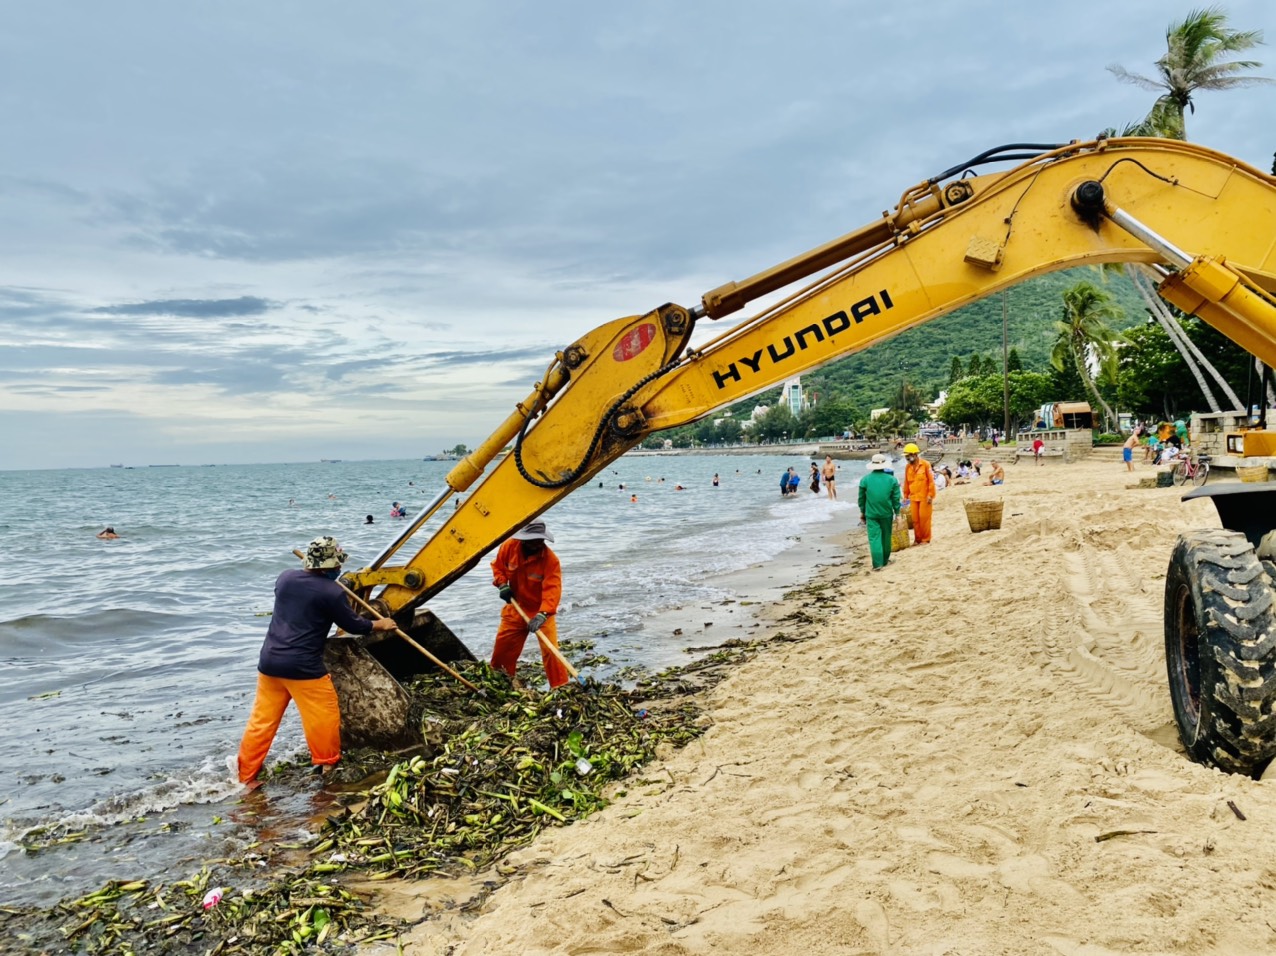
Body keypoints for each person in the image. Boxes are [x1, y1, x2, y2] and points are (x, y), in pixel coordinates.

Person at [234, 536, 397, 787]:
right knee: (323, 716)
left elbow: (307, 598)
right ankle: (327, 764)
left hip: (269, 663)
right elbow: (352, 625)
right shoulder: (331, 592)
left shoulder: (285, 579)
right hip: (303, 669)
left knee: (262, 722)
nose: (339, 569)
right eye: (337, 565)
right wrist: (381, 624)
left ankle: (246, 777)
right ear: (329, 567)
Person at [490, 521, 568, 689]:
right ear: (523, 539)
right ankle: (501, 684)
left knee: (551, 652)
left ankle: (560, 687)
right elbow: (498, 567)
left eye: (540, 540)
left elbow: (552, 590)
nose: (537, 544)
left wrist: (543, 614)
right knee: (503, 651)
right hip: (516, 607)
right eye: (532, 540)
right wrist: (502, 584)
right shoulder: (509, 547)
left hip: (541, 611)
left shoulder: (550, 560)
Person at [858, 454, 901, 570]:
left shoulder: (865, 480)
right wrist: (898, 513)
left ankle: (877, 564)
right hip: (887, 513)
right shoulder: (892, 480)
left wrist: (862, 512)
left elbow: (861, 499)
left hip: (871, 514)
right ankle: (885, 560)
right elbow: (896, 499)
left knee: (874, 538)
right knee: (886, 537)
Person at [902, 443, 936, 544]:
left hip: (925, 497)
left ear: (915, 455)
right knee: (915, 520)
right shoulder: (908, 467)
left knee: (924, 519)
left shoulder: (925, 464)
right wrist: (905, 495)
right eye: (906, 456)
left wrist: (930, 495)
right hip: (913, 497)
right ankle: (917, 539)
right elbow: (906, 482)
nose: (907, 458)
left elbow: (931, 481)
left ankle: (925, 539)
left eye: (908, 456)